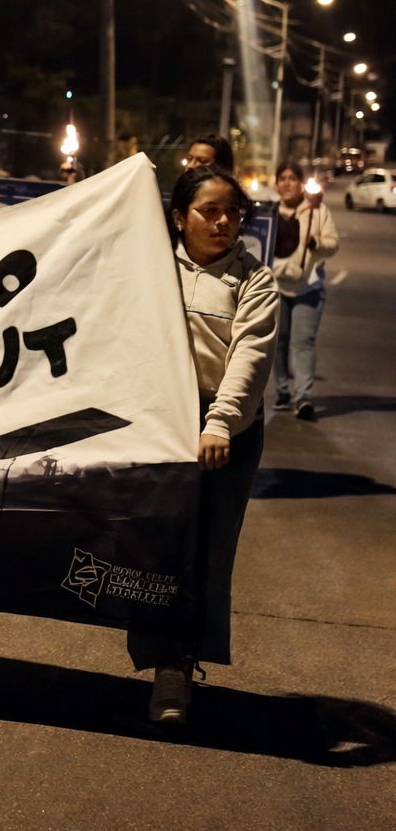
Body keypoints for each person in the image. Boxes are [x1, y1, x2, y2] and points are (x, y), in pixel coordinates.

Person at [129, 165, 279, 724]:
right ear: (177, 218)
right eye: (208, 211)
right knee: (152, 548)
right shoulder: (149, 269)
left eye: (233, 213)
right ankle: (161, 658)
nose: (222, 222)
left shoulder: (255, 280)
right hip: (159, 421)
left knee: (206, 553)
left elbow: (250, 359)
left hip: (226, 430)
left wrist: (219, 423)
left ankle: (180, 668)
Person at [271, 161, 339, 420]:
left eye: (292, 178)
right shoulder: (268, 212)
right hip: (275, 286)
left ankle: (303, 398)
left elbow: (332, 244)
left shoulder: (317, 212)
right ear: (276, 184)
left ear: (301, 184)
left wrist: (316, 243)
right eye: (282, 178)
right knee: (278, 343)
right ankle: (283, 392)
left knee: (303, 342)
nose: (286, 183)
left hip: (307, 287)